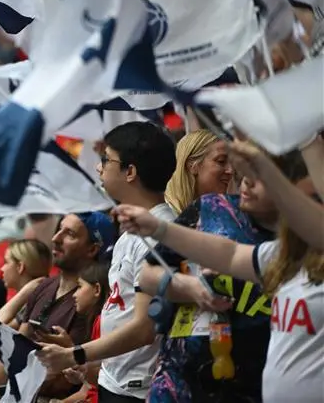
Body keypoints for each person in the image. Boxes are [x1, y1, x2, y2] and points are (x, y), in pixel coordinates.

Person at [113, 140, 323, 403]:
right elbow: (230, 253)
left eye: (262, 178)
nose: (246, 182)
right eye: (245, 174)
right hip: (185, 379)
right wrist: (158, 229)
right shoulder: (281, 254)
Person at [36, 121, 177, 402]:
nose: (99, 168)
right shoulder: (130, 231)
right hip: (114, 380)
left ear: (131, 172)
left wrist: (72, 354)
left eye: (106, 160)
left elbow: (143, 328)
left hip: (138, 390)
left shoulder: (162, 231)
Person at [0, 212, 115, 402]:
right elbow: (17, 349)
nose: (55, 238)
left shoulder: (95, 302)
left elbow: (74, 381)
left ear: (92, 249)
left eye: (70, 234)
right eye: (59, 230)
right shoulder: (43, 286)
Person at [62, 261, 112, 403]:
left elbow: (101, 383)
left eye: (79, 287)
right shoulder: (96, 323)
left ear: (97, 289)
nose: (74, 294)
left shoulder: (103, 323)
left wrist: (67, 349)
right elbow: (88, 389)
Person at [165, 130, 234, 214]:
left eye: (233, 163)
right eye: (221, 161)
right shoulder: (166, 216)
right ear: (192, 166)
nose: (230, 170)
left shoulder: (225, 213)